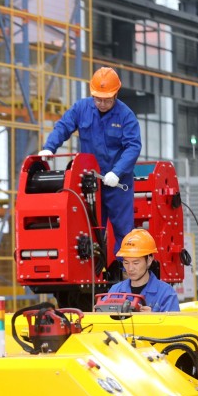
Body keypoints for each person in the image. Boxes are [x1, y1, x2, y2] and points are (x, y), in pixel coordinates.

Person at [39, 67, 142, 258]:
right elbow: (63, 126)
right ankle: (94, 273)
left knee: (123, 231)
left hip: (117, 183)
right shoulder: (81, 109)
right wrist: (49, 147)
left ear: (116, 94)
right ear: (92, 94)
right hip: (90, 183)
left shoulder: (126, 116)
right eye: (98, 98)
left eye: (107, 99)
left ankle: (125, 274)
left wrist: (117, 172)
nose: (102, 103)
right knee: (90, 229)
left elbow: (133, 147)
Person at [106, 229, 180, 312]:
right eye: (126, 263)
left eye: (136, 263)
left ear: (149, 260)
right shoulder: (115, 291)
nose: (130, 268)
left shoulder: (166, 293)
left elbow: (173, 324)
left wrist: (153, 319)